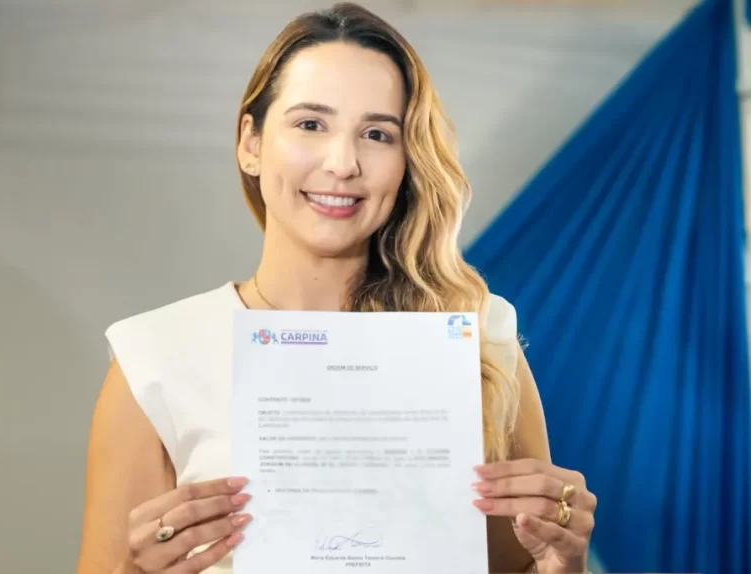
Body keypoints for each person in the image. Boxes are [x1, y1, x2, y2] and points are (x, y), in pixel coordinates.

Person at [76, 3, 597, 573]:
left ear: (407, 161)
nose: (343, 163)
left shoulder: (480, 337)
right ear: (251, 142)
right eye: (310, 124)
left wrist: (563, 563)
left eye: (377, 134)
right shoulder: (156, 357)